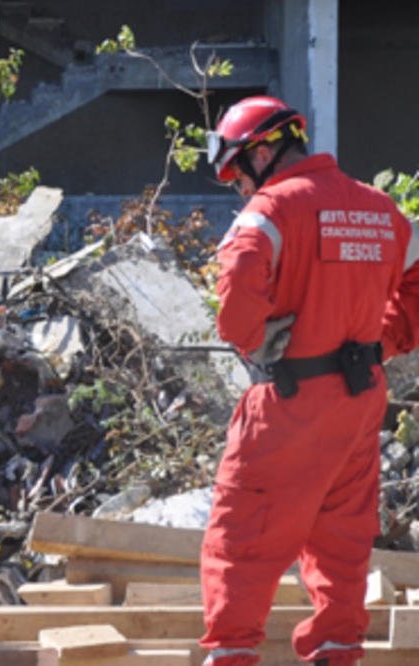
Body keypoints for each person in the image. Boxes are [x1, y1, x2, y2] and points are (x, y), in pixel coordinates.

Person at [199, 94, 419, 666]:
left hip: (290, 399)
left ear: (264, 151)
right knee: (342, 538)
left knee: (242, 535)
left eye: (239, 175)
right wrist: (384, 340)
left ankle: (230, 655)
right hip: (359, 399)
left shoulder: (270, 211)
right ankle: (338, 649)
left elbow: (237, 292)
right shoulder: (378, 207)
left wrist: (252, 339)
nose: (240, 189)